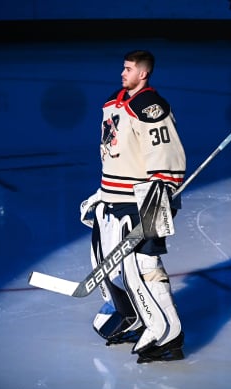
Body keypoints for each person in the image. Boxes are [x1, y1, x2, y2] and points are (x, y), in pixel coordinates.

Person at [80, 49, 187, 363]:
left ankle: (167, 333)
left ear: (144, 73)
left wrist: (159, 203)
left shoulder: (151, 108)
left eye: (128, 69)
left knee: (143, 267)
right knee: (105, 263)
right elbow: (116, 153)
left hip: (142, 200)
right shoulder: (116, 101)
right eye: (122, 67)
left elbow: (167, 161)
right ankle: (133, 316)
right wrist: (102, 193)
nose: (122, 73)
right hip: (113, 197)